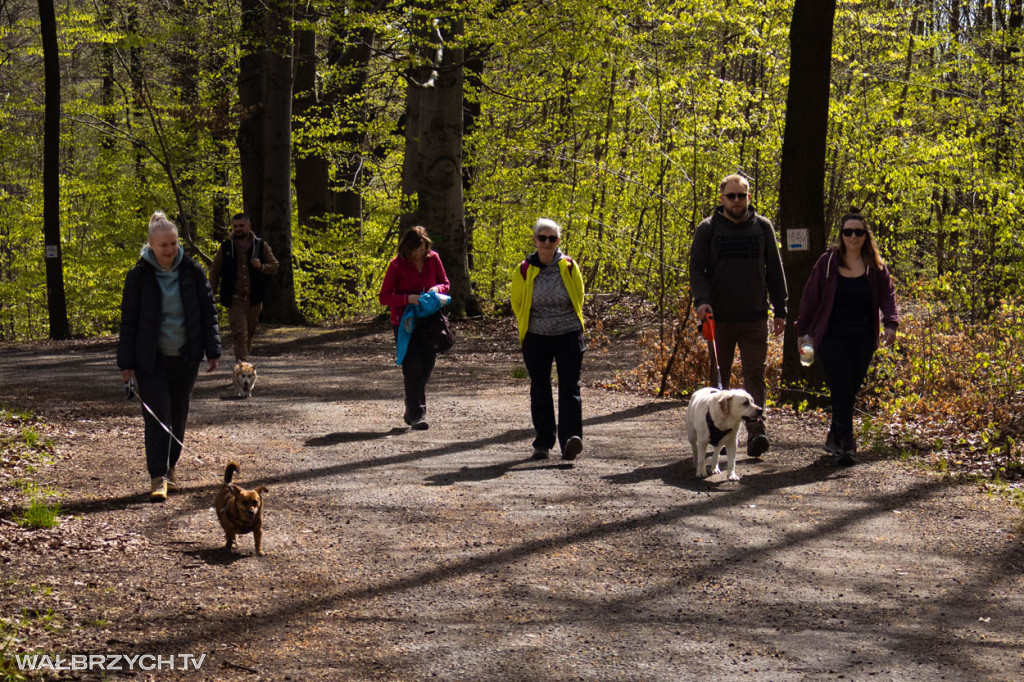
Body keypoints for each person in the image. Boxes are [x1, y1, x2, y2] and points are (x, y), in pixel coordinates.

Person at [117, 212, 220, 501]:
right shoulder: (138, 276)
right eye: (163, 245)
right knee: (158, 416)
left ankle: (171, 467)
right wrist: (126, 364)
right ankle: (157, 476)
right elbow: (129, 322)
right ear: (150, 245)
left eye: (173, 243)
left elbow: (208, 313)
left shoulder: (192, 271)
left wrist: (212, 350)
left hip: (185, 357)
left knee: (177, 415)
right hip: (151, 359)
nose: (170, 250)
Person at [689, 173, 788, 459]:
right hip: (718, 318)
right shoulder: (708, 229)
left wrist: (780, 309)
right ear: (722, 198)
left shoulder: (763, 227)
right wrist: (702, 301)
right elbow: (696, 269)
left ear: (749, 196)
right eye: (731, 196)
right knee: (717, 379)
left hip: (755, 316)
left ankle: (756, 432)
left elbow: (775, 270)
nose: (736, 200)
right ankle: (716, 435)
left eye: (741, 195)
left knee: (755, 374)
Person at [797, 209, 898, 466]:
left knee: (848, 390)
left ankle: (834, 434)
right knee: (841, 387)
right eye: (848, 232)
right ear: (841, 235)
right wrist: (803, 331)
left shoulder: (875, 266)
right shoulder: (828, 263)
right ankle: (848, 443)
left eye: (858, 232)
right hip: (831, 336)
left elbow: (887, 295)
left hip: (863, 337)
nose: (853, 236)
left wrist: (891, 323)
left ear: (866, 236)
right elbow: (810, 297)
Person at [511, 219, 586, 462]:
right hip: (536, 337)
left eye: (552, 238)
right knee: (540, 388)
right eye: (542, 238)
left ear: (558, 241)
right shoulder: (524, 269)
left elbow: (579, 296)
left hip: (569, 334)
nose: (546, 243)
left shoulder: (569, 266)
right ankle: (543, 443)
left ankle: (570, 440)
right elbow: (518, 302)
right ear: (534, 240)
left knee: (569, 388)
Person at [378, 226, 450, 430]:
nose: (420, 253)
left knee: (427, 366)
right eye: (416, 250)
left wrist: (436, 289)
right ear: (407, 249)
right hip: (405, 324)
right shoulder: (396, 265)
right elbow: (384, 297)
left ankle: (411, 409)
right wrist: (407, 299)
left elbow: (445, 283)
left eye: (423, 248)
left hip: (430, 320)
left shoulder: (433, 259)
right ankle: (418, 414)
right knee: (412, 369)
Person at [208, 213, 279, 361]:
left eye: (241, 226)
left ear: (249, 226)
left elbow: (275, 266)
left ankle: (243, 364)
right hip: (234, 299)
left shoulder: (260, 245)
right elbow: (215, 270)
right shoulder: (226, 247)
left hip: (255, 299)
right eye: (235, 226)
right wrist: (210, 293)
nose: (238, 229)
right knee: (240, 333)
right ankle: (243, 367)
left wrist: (261, 266)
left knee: (249, 334)